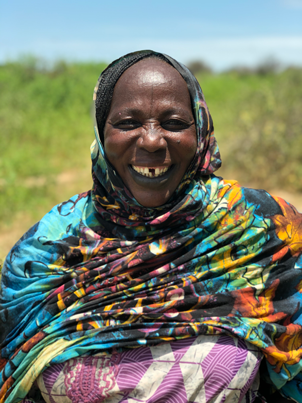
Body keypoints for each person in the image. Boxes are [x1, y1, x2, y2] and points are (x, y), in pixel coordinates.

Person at [0, 50, 301, 403]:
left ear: (200, 129)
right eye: (128, 123)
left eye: (174, 123)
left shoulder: (261, 229)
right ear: (101, 132)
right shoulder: (43, 254)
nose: (153, 141)